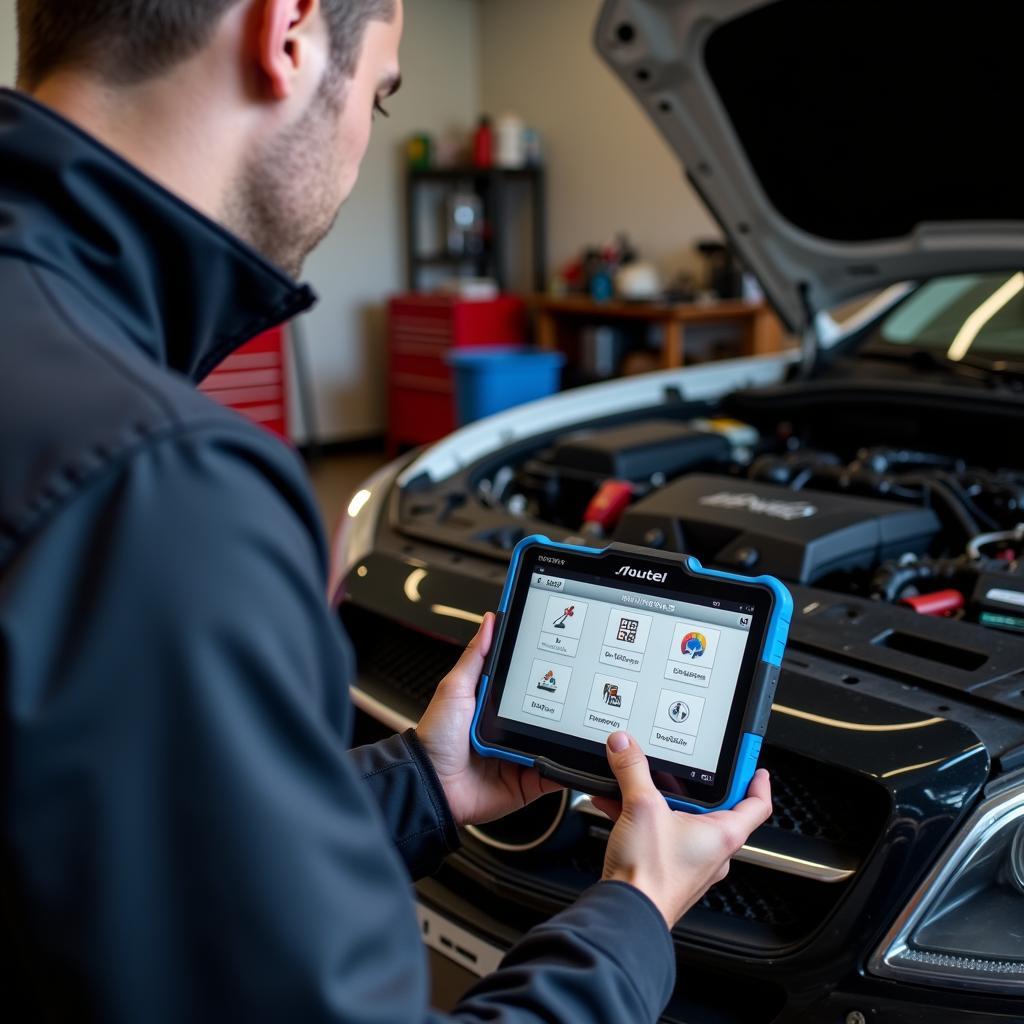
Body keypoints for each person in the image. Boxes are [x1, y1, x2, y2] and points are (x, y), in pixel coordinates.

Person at [0, 1, 773, 1020]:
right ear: (288, 33)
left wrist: (429, 781)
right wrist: (633, 910)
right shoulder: (159, 487)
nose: (361, 138)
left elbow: (147, 856)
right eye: (378, 91)